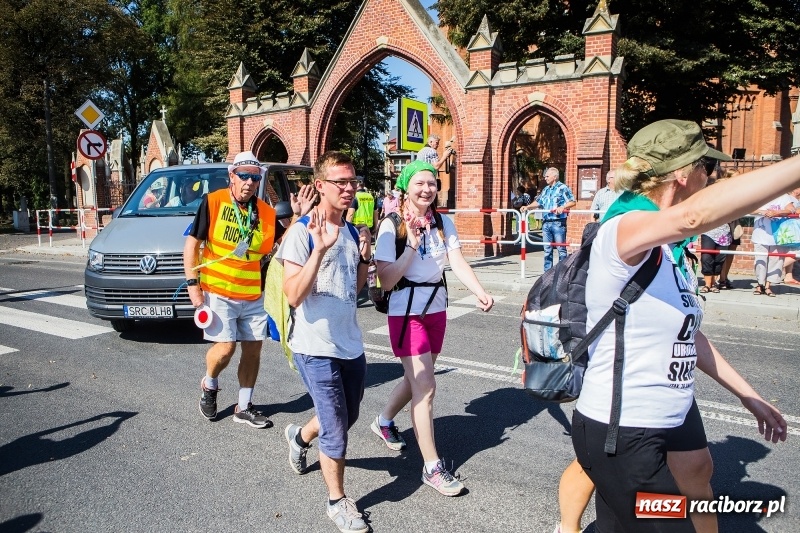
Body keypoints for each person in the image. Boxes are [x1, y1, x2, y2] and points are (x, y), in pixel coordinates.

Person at [571, 119, 794, 532]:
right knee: (666, 521)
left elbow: (688, 335)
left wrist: (749, 395)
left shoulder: (664, 251)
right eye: (706, 167)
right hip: (624, 430)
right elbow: (693, 216)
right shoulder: (624, 229)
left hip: (669, 416)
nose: (710, 177)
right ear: (682, 172)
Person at [371, 159, 494, 497]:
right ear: (406, 187)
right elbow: (385, 278)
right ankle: (431, 467)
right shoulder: (391, 226)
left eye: (432, 183)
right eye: (420, 183)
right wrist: (411, 243)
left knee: (416, 380)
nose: (427, 189)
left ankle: (383, 420)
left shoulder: (443, 222)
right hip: (405, 313)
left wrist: (479, 290)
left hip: (436, 309)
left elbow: (456, 261)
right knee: (425, 386)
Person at [279, 151, 373, 533]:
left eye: (353, 181)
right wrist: (319, 249)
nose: (349, 189)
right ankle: (338, 503)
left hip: (350, 344)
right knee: (336, 427)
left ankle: (299, 436)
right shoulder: (302, 232)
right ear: (320, 186)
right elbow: (292, 295)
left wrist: (365, 258)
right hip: (314, 346)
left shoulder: (351, 231)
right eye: (341, 182)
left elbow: (356, 290)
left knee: (346, 418)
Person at [184, 150, 309, 429]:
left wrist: (298, 217)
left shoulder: (265, 211)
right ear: (232, 176)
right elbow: (192, 245)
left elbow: (281, 245)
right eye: (244, 176)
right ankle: (210, 383)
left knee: (253, 350)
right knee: (226, 348)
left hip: (253, 293)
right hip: (218, 290)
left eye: (254, 177)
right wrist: (194, 288)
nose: (249, 183)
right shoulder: (213, 202)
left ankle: (244, 405)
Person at [521, 167, 576, 271]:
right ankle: (547, 274)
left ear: (554, 177)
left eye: (547, 176)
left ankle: (562, 273)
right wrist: (527, 207)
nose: (545, 178)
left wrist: (563, 207)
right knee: (547, 250)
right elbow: (539, 202)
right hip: (546, 222)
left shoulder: (563, 188)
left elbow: (572, 201)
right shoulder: (546, 189)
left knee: (561, 249)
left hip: (558, 222)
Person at [751, 192, 796, 296]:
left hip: (778, 235)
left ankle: (768, 286)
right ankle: (759, 285)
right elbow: (748, 209)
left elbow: (791, 209)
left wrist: (778, 212)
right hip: (760, 234)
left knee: (776, 261)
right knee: (760, 260)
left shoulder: (784, 196)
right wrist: (762, 212)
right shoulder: (759, 195)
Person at [782, 187, 800, 284]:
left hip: (795, 229)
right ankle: (773, 270)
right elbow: (794, 210)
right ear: (795, 189)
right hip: (792, 230)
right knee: (796, 252)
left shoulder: (796, 199)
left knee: (791, 251)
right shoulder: (789, 199)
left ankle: (788, 276)